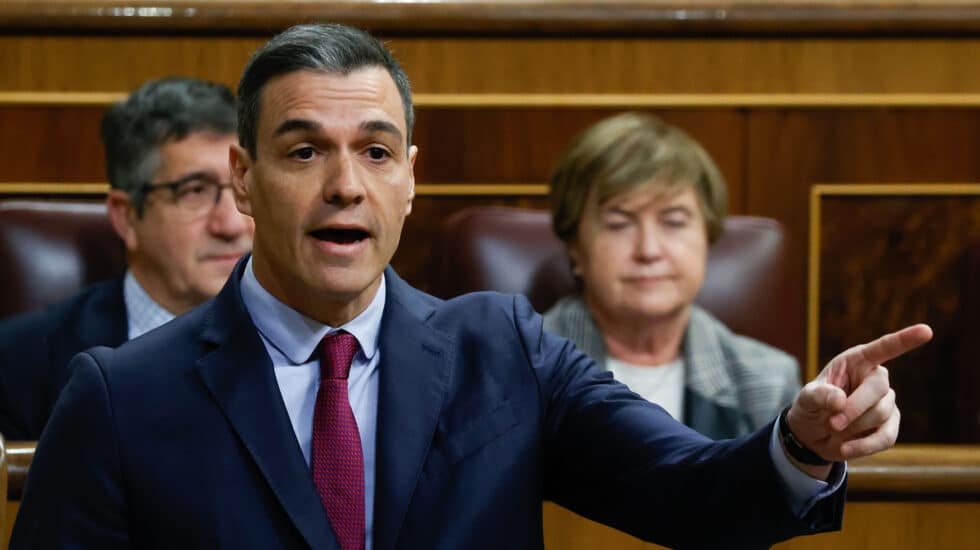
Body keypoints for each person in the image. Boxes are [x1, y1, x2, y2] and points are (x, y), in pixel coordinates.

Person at [12, 23, 931, 549]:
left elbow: (689, 489)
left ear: (410, 179)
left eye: (375, 153)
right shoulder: (120, 395)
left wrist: (801, 445)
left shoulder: (506, 350)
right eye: (304, 153)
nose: (344, 185)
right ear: (244, 177)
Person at [0, 77, 254, 440]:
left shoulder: (312, 343)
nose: (232, 224)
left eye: (244, 187)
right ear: (126, 216)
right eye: (195, 191)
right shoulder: (18, 365)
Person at [544, 112, 799, 440]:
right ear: (575, 248)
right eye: (619, 224)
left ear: (707, 237)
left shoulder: (767, 381)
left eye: (674, 222)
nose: (649, 250)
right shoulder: (520, 370)